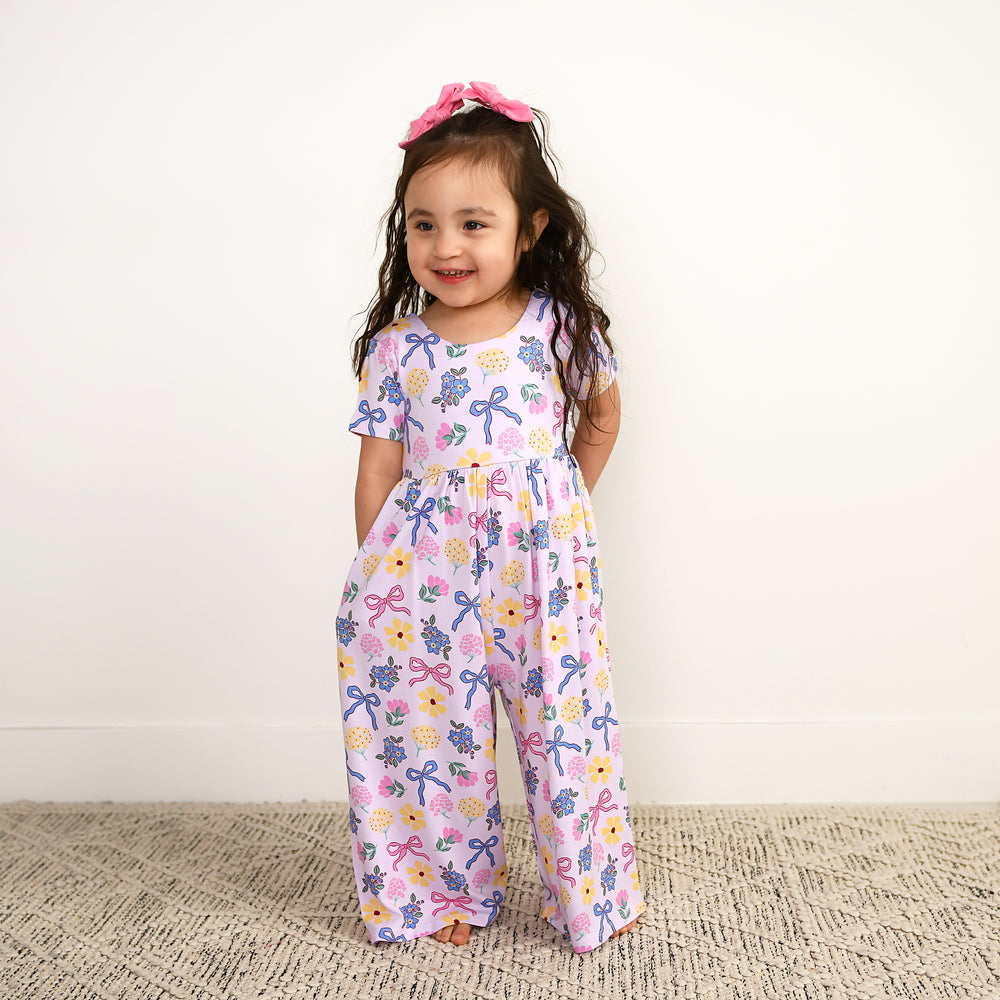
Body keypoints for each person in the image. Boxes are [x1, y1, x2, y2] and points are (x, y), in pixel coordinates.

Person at [336, 81, 645, 954]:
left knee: (567, 729)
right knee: (430, 740)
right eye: (423, 224)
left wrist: (562, 501)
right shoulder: (398, 349)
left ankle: (592, 890)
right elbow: (378, 468)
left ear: (530, 227)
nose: (446, 246)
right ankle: (440, 894)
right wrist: (380, 573)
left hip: (543, 571)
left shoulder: (558, 327)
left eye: (473, 223)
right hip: (421, 578)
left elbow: (603, 415)